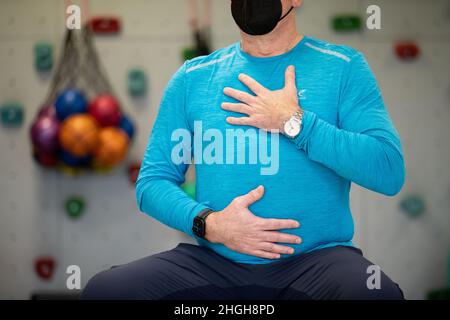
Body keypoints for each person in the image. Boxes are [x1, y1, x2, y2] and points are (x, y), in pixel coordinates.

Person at [82, 0, 405, 300]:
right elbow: (153, 182)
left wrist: (294, 122)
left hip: (316, 262)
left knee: (376, 294)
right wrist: (209, 224)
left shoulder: (343, 67)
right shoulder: (192, 78)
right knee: (105, 291)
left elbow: (388, 171)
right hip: (212, 261)